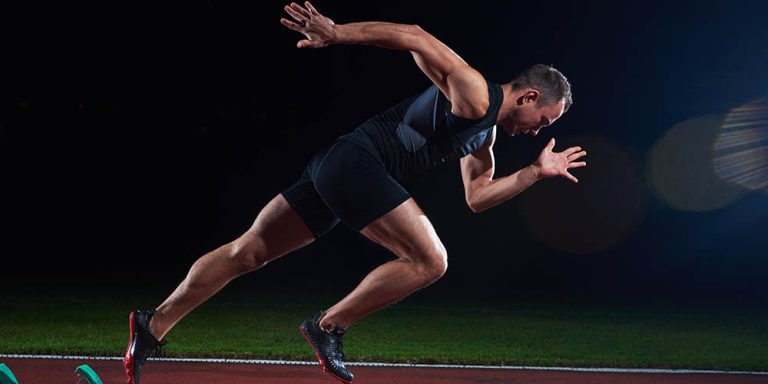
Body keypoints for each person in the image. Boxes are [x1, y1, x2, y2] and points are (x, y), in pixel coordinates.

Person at [123, 2, 586, 383]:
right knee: (431, 261)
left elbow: (477, 196)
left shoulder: (483, 136)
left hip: (337, 165)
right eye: (543, 121)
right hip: (357, 165)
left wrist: (533, 173)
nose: (537, 131)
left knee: (248, 251)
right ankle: (328, 325)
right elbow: (416, 35)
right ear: (528, 97)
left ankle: (152, 324)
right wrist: (337, 32)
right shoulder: (475, 92)